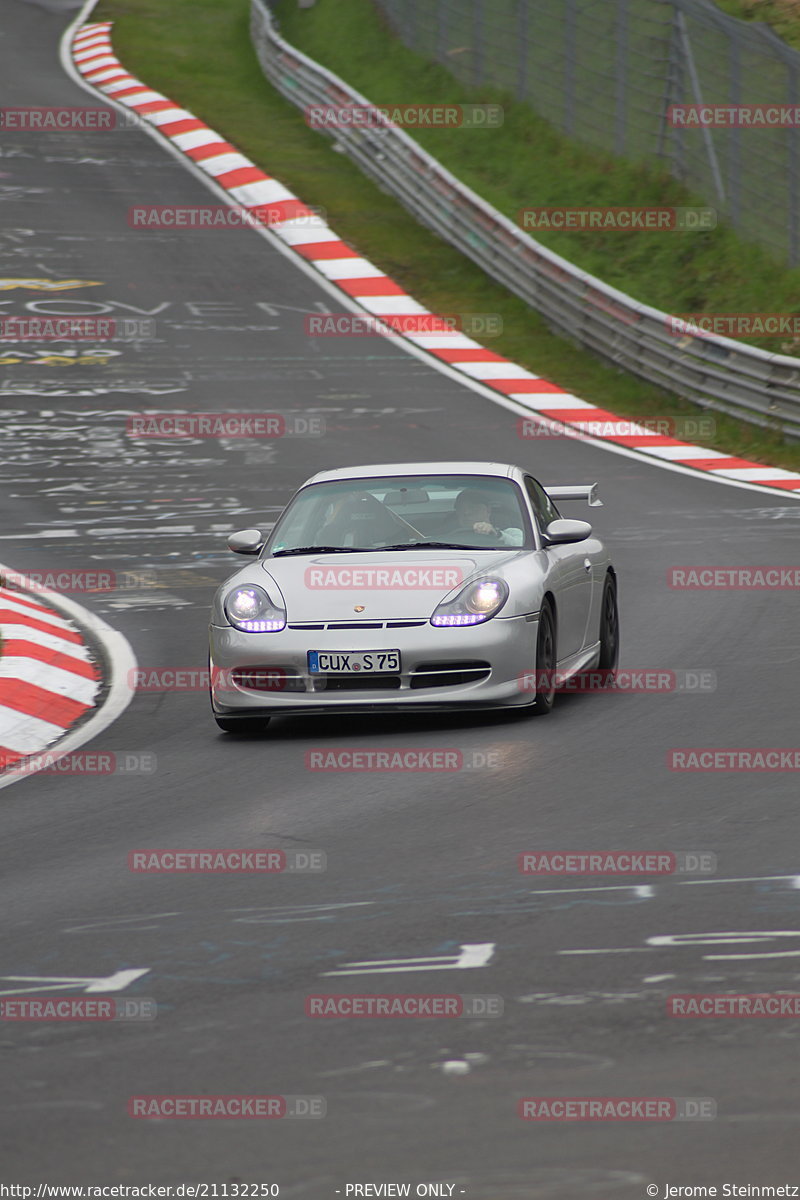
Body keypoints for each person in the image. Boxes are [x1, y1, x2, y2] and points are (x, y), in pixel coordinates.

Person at [451, 490, 524, 546]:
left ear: (488, 510)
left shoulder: (510, 532)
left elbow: (520, 545)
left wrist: (496, 534)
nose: (466, 513)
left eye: (473, 507)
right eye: (461, 508)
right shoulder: (447, 535)